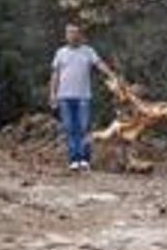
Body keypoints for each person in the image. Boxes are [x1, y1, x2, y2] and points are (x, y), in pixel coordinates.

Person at [49, 23, 117, 171]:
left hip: (83, 96)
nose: (71, 35)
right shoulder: (60, 52)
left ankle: (85, 159)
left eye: (74, 32)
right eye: (69, 32)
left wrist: (112, 76)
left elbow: (99, 65)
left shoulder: (88, 51)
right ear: (65, 35)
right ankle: (74, 159)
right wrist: (52, 94)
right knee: (69, 128)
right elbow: (55, 75)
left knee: (84, 127)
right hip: (64, 97)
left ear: (79, 35)